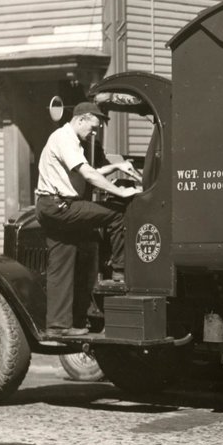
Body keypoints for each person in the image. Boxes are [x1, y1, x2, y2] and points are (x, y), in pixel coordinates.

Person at [35, 102, 139, 337]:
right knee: (116, 213)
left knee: (62, 263)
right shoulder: (64, 139)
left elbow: (88, 170)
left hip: (51, 205)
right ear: (81, 119)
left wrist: (117, 167)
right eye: (92, 128)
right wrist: (121, 192)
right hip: (60, 205)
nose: (94, 133)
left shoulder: (69, 140)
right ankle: (120, 273)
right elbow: (88, 174)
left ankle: (58, 326)